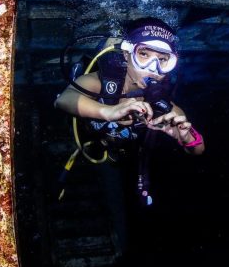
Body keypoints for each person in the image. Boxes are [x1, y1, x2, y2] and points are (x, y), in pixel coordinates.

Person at [54, 17, 205, 207]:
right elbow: (64, 99)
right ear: (127, 55)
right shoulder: (104, 80)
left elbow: (198, 149)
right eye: (143, 54)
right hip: (85, 140)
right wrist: (108, 111)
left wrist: (187, 136)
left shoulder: (164, 105)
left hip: (124, 154)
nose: (153, 68)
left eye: (162, 60)